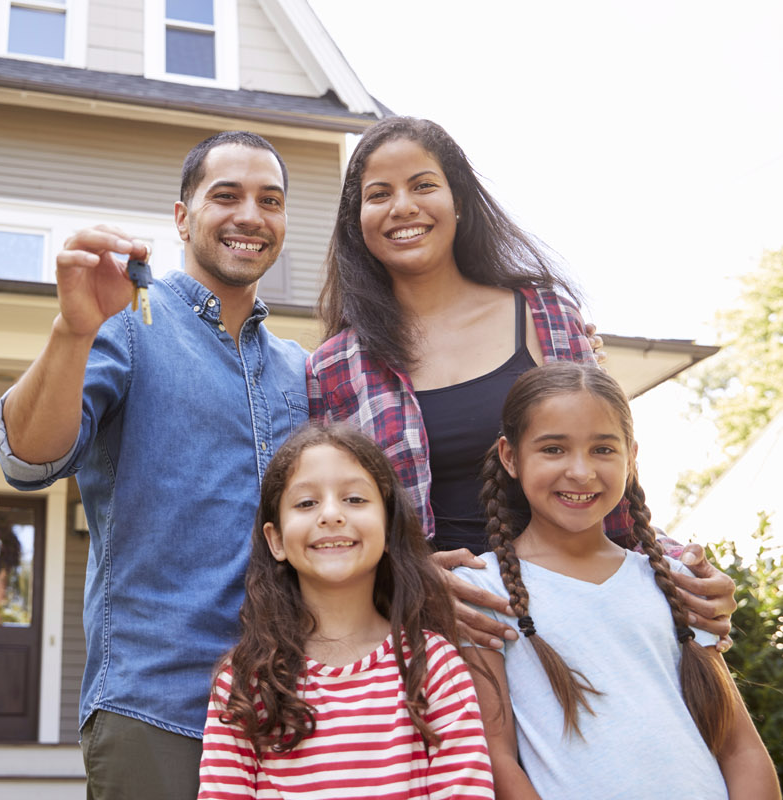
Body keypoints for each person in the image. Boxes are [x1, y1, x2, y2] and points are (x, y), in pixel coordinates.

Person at [306, 116, 736, 650]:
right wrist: (408, 582)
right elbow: (335, 524)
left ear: (458, 200)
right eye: (379, 194)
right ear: (358, 220)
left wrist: (683, 571)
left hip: (575, 615)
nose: (403, 207)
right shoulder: (334, 367)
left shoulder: (548, 315)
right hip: (439, 637)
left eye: (423, 185)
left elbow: (610, 480)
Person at [0, 131, 307, 799]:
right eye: (226, 196)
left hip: (290, 711)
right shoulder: (128, 324)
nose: (251, 216)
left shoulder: (299, 370)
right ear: (181, 216)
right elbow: (26, 461)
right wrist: (73, 330)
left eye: (270, 200)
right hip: (160, 708)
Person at [455, 362, 778, 800]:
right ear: (511, 457)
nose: (581, 472)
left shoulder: (674, 580)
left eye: (603, 450)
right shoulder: (482, 588)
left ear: (631, 457)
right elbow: (497, 756)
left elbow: (739, 748)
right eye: (553, 449)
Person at [197, 423, 494, 799]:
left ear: (388, 526)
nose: (331, 514)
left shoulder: (433, 664)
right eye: (306, 503)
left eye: (354, 499)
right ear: (275, 540)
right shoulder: (245, 680)